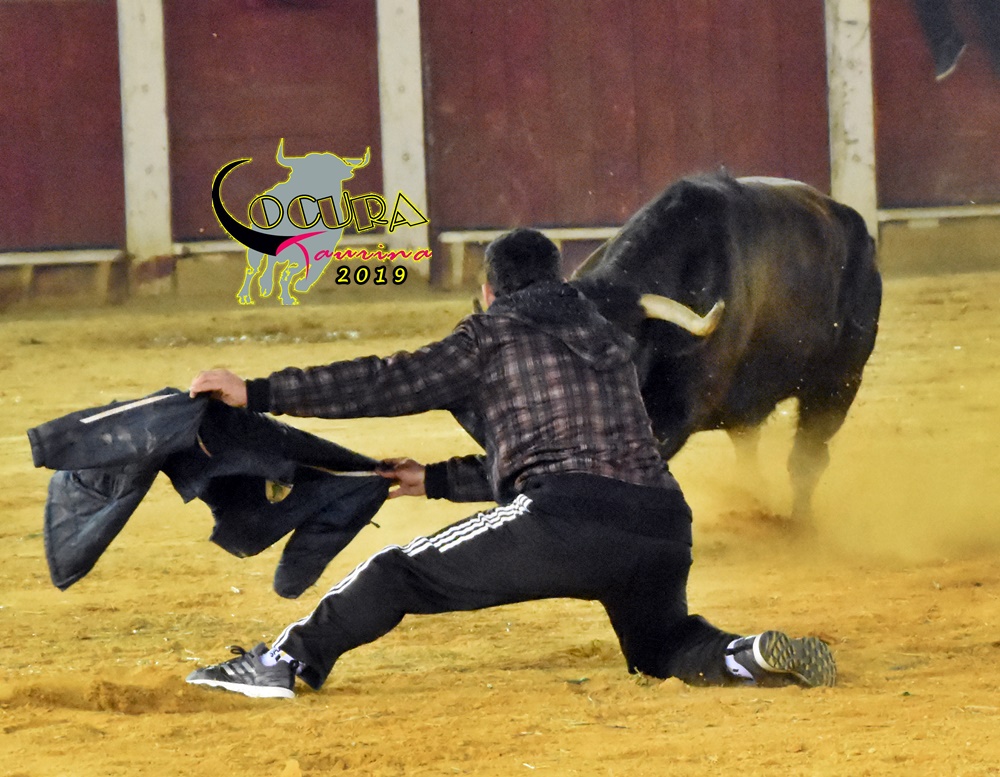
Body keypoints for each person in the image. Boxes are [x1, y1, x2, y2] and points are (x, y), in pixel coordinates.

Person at [184, 228, 836, 699]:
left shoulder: (491, 333)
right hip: (661, 527)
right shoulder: (608, 341)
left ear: (489, 289)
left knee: (395, 571)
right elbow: (557, 454)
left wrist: (258, 392)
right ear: (559, 281)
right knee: (662, 646)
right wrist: (434, 479)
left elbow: (387, 381)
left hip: (567, 521)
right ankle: (745, 656)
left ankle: (284, 662)